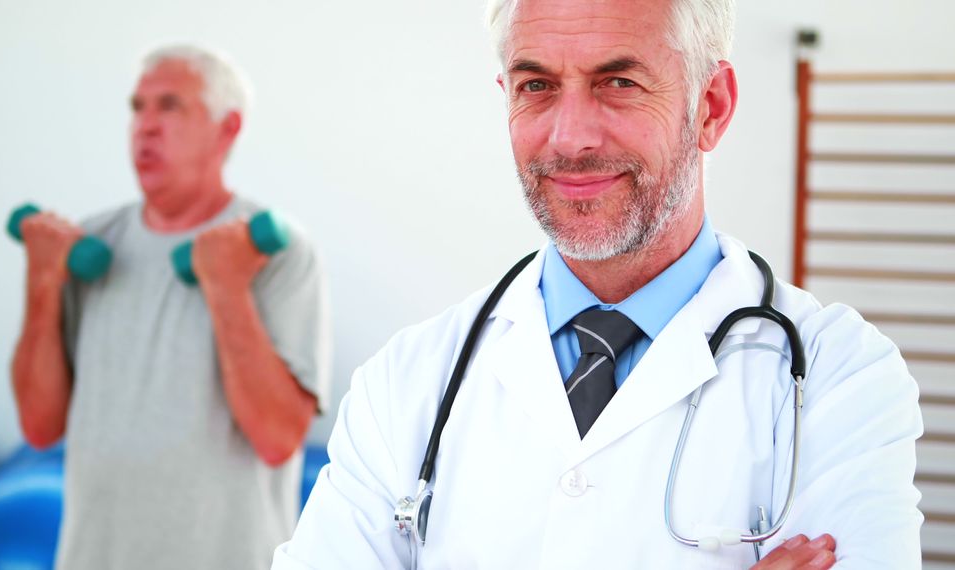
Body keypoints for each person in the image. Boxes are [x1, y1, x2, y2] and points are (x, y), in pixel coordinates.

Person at [274, 0, 923, 568]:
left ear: (711, 107)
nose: (570, 136)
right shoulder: (404, 383)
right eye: (537, 85)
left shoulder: (841, 378)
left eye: (618, 81)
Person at [10, 44, 330, 570]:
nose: (145, 126)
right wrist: (43, 280)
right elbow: (40, 427)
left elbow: (277, 439)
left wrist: (226, 287)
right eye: (138, 108)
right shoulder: (90, 243)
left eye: (171, 106)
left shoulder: (276, 251)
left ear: (227, 130)